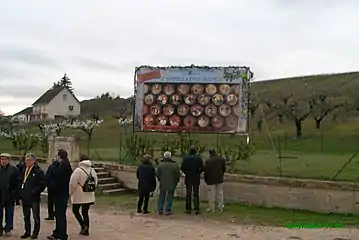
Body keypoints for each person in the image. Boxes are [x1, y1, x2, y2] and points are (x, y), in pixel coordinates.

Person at [69, 155, 98, 236]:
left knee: (75, 210)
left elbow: (72, 183)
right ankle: (86, 230)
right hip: (89, 195)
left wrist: (71, 192)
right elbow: (96, 181)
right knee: (85, 212)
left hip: (78, 195)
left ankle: (83, 225)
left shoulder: (78, 170)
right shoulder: (92, 170)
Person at [47, 149, 73, 240]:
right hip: (61, 193)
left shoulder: (64, 166)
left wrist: (52, 186)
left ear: (59, 156)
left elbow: (59, 180)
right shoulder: (63, 165)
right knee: (59, 214)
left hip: (61, 194)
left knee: (60, 215)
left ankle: (62, 234)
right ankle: (58, 232)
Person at [19, 153, 46, 239]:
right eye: (26, 160)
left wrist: (34, 191)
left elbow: (42, 184)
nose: (27, 162)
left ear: (34, 161)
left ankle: (35, 233)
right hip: (25, 197)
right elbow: (21, 181)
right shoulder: (24, 169)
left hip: (33, 198)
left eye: (29, 160)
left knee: (35, 217)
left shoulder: (38, 171)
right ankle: (27, 231)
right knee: (26, 216)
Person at [0, 153, 20, 237]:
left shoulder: (14, 169)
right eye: (1, 159)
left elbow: (18, 182)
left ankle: (8, 228)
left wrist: (14, 193)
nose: (2, 161)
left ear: (8, 160)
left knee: (9, 212)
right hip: (0, 195)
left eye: (4, 159)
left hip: (9, 195)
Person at [181, 146, 204, 214]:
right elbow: (202, 168)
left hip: (188, 177)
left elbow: (182, 168)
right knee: (196, 193)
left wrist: (186, 173)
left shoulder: (185, 158)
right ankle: (196, 208)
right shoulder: (198, 158)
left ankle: (188, 208)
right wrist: (198, 173)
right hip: (196, 177)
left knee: (188, 193)